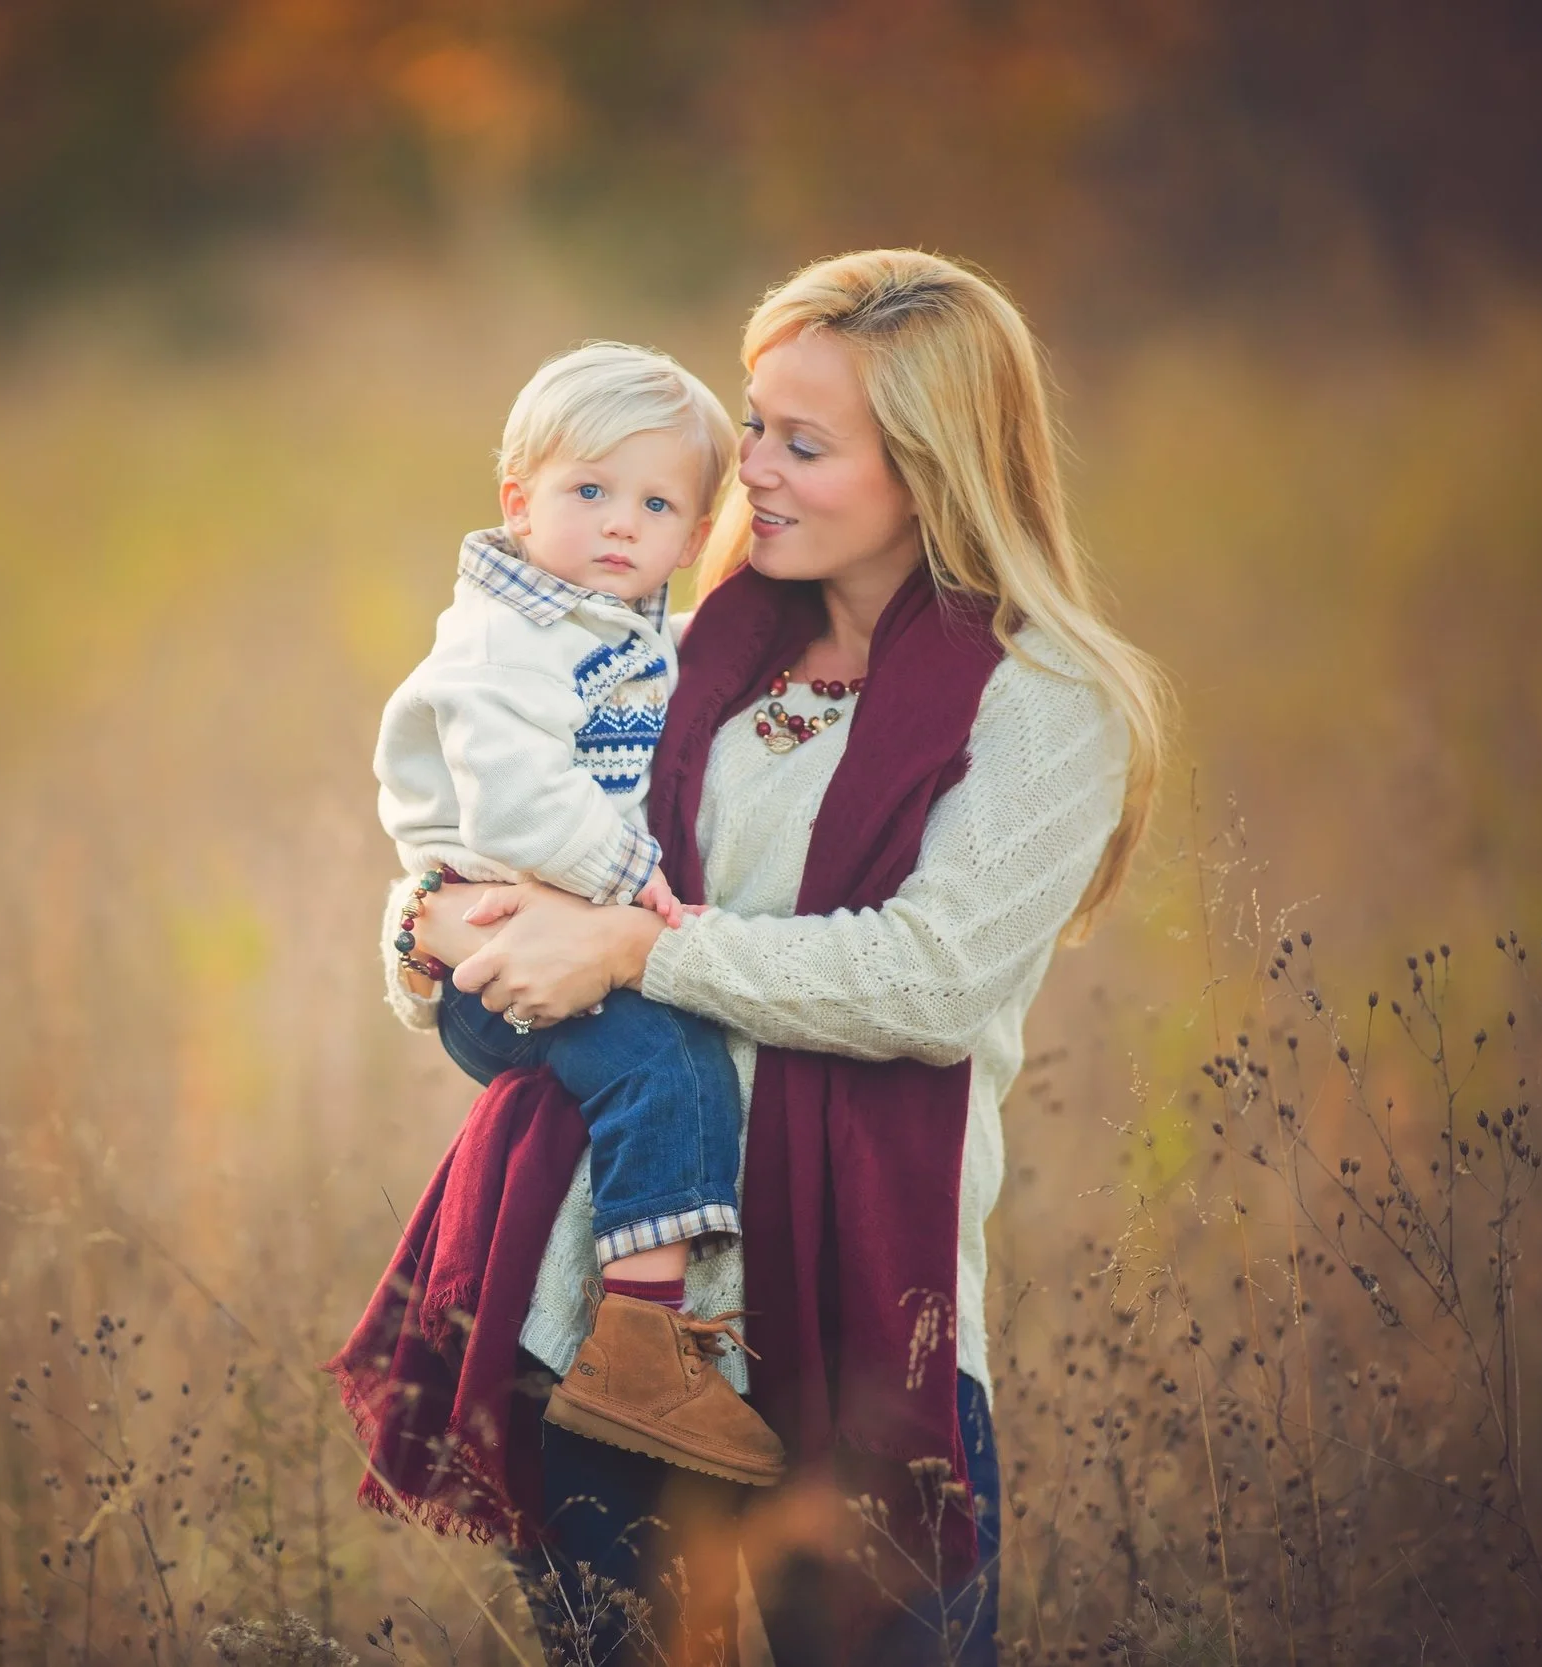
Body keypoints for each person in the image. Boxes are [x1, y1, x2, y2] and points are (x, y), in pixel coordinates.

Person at [384, 251, 1170, 1664]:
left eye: (805, 444)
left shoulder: (1048, 706)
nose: (751, 469)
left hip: (865, 1314)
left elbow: (929, 982)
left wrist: (634, 945)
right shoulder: (677, 650)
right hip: (605, 1301)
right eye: (755, 425)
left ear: (930, 470)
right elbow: (484, 807)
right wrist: (425, 923)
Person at [372, 341, 785, 1485]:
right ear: (519, 501)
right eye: (588, 491)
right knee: (666, 1057)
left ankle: (648, 1335)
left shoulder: (634, 627)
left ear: (698, 528)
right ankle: (645, 1346)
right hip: (499, 943)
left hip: (522, 934)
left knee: (669, 1056)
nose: (619, 523)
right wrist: (628, 883)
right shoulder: (508, 632)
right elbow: (510, 794)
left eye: (656, 503)